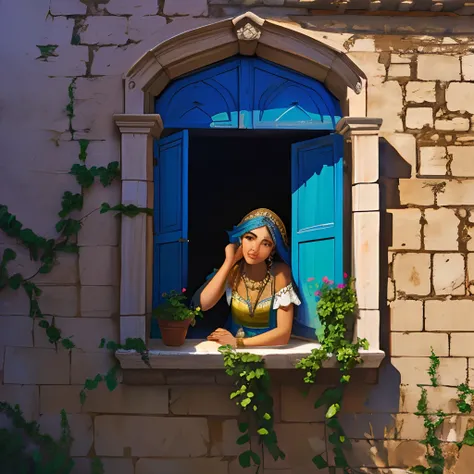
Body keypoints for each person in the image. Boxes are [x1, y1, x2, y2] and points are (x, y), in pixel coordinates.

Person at [194, 208, 301, 348]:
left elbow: (283, 334)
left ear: (272, 250)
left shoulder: (280, 273)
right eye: (250, 238)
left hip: (267, 350)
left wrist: (237, 343)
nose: (254, 249)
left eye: (266, 243)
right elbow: (204, 304)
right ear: (240, 239)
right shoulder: (233, 271)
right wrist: (230, 261)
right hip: (231, 350)